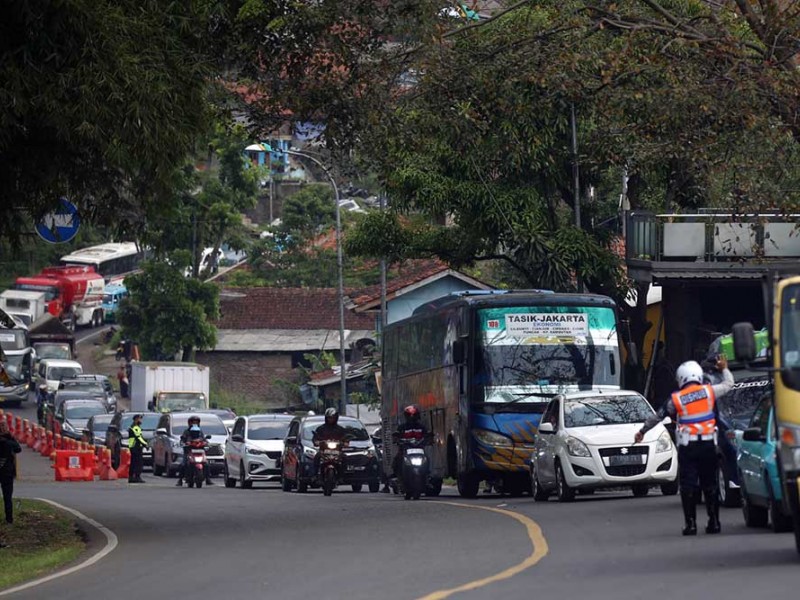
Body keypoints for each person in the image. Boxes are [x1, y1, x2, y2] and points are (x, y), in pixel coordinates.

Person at [634, 354, 734, 536]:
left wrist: (642, 431)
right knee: (710, 484)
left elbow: (658, 416)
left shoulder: (677, 399)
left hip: (688, 449)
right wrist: (724, 368)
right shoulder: (709, 391)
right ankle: (714, 522)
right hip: (708, 446)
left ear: (681, 378)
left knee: (688, 485)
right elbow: (728, 385)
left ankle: (691, 525)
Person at [391, 405, 430, 481]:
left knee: (427, 459)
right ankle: (397, 476)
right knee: (397, 459)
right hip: (406, 449)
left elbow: (427, 435)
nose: (412, 418)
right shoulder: (402, 427)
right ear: (406, 416)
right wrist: (397, 439)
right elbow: (396, 435)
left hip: (419, 449)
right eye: (409, 416)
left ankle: (426, 475)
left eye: (414, 415)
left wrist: (429, 439)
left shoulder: (421, 427)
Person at [175, 416, 213, 487]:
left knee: (207, 464)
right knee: (183, 464)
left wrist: (206, 443)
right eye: (193, 422)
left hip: (200, 452)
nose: (194, 423)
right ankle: (180, 480)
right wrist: (184, 443)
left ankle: (208, 479)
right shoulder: (186, 432)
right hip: (189, 451)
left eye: (196, 422)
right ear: (190, 423)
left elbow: (204, 439)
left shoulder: (200, 432)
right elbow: (183, 440)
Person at [312, 408, 349, 477]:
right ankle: (315, 474)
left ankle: (343, 475)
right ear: (326, 418)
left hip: (337, 451)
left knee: (344, 457)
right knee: (317, 456)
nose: (331, 419)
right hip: (324, 451)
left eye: (333, 418)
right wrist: (317, 442)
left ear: (336, 418)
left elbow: (346, 439)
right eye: (329, 418)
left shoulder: (340, 429)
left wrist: (345, 443)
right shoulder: (321, 428)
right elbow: (315, 439)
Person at [0, 420, 22, 527]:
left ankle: (9, 519)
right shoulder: (9, 443)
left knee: (7, 497)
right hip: (7, 472)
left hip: (5, 472)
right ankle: (9, 519)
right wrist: (10, 437)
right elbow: (18, 449)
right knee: (7, 497)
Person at [127, 414, 147, 484]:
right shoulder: (135, 427)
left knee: (133, 462)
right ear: (136, 419)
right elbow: (139, 437)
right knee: (138, 463)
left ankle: (131, 477)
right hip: (136, 447)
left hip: (133, 447)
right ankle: (137, 477)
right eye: (139, 419)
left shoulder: (133, 426)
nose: (141, 420)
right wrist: (145, 444)